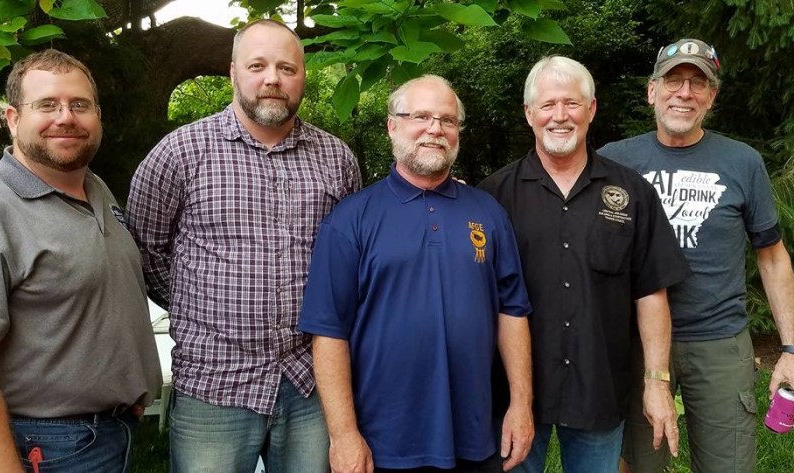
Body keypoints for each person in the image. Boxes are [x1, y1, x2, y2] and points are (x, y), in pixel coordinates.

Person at [126, 19, 361, 472]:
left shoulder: (337, 159)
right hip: (214, 384)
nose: (272, 78)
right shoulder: (179, 153)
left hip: (310, 382)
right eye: (257, 65)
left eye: (286, 68)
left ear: (303, 77)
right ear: (232, 72)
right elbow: (145, 251)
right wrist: (200, 310)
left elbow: (348, 261)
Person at [299, 74, 533, 473]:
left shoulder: (488, 213)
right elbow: (328, 332)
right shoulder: (351, 219)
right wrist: (343, 435)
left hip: (475, 436)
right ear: (393, 126)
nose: (434, 129)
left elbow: (512, 311)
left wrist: (521, 405)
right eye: (420, 116)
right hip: (384, 442)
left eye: (447, 120)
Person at [478, 56, 691, 472]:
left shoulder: (632, 193)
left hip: (600, 389)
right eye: (548, 105)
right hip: (515, 396)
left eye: (572, 104)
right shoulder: (493, 197)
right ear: (529, 114)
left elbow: (651, 291)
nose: (560, 116)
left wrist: (657, 382)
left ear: (591, 110)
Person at [0, 49, 162, 472]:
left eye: (79, 105)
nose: (65, 117)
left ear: (97, 116)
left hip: (107, 431)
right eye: (46, 104)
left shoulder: (92, 186)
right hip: (49, 446)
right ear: (13, 118)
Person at [600, 38, 794, 473]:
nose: (684, 93)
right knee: (635, 462)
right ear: (652, 91)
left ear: (712, 96)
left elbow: (772, 256)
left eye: (697, 83)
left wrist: (791, 348)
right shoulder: (615, 161)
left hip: (719, 341)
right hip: (637, 342)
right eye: (673, 81)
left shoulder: (742, 162)